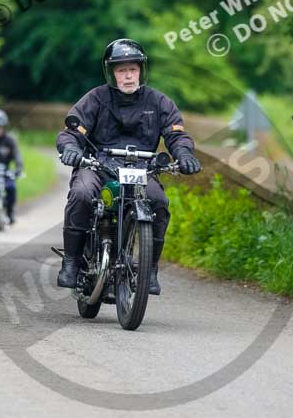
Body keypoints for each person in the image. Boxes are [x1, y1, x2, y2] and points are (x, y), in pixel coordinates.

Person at [56, 38, 201, 294]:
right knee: (81, 193)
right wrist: (70, 149)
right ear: (112, 73)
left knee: (159, 202)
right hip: (97, 165)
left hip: (142, 170)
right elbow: (71, 132)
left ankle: (150, 269)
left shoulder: (159, 102)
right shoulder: (96, 99)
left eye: (132, 69)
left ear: (141, 71)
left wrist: (185, 154)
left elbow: (177, 134)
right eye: (122, 70)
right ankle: (71, 262)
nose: (128, 76)